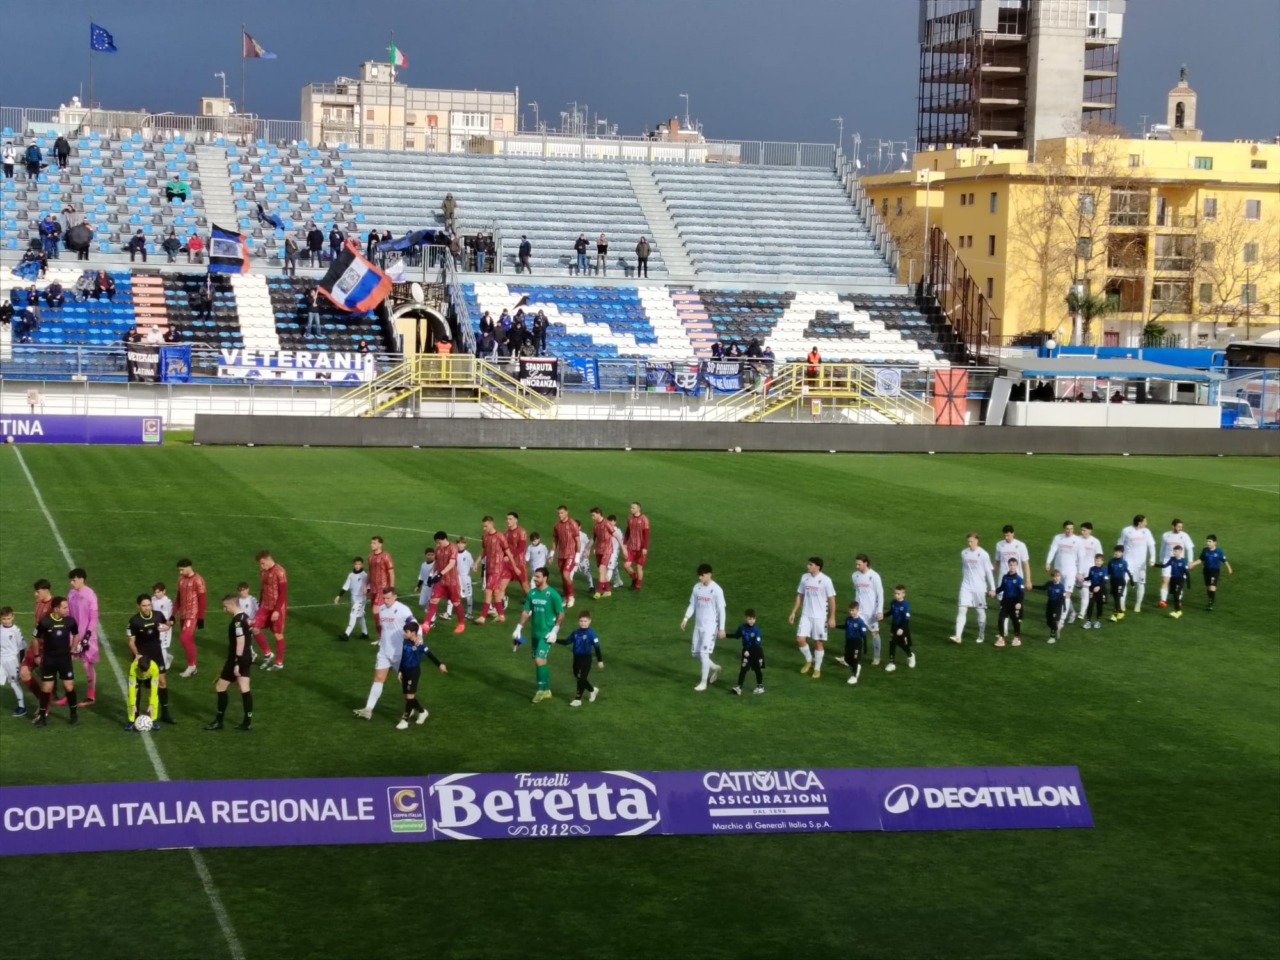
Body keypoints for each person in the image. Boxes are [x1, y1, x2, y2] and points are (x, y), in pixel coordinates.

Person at [354, 587, 414, 719]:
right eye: (384, 598)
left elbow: (414, 625)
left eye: (388, 598)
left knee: (406, 685)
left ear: (395, 597)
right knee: (378, 678)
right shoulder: (381, 609)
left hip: (400, 654)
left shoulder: (403, 610)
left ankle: (416, 707)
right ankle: (368, 709)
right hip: (384, 652)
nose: (385, 600)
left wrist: (418, 637)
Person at [512, 567, 565, 703]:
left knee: (538, 659)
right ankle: (547, 690)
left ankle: (540, 691)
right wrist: (519, 628)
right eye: (534, 577)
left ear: (545, 578)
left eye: (537, 577)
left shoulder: (553, 594)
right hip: (535, 632)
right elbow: (525, 612)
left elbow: (561, 613)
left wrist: (555, 631)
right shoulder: (532, 594)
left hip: (547, 633)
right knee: (541, 661)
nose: (534, 579)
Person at [204, 595, 254, 731]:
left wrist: (236, 662)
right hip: (247, 657)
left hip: (236, 659)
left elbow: (241, 641)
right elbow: (252, 633)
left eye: (225, 607)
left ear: (232, 605)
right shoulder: (246, 617)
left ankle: (219, 721)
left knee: (220, 687)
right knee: (244, 689)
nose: (224, 610)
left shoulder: (237, 622)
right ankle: (247, 722)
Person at [126, 594, 176, 724]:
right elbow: (131, 642)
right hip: (141, 656)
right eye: (144, 605)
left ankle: (164, 713)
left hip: (156, 654)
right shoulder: (134, 621)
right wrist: (137, 655)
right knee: (137, 686)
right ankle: (134, 716)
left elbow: (168, 623)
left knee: (162, 682)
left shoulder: (158, 615)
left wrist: (169, 625)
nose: (147, 608)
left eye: (149, 605)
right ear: (138, 606)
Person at [32, 596, 80, 727]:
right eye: (65, 607)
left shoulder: (70, 621)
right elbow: (35, 638)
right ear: (56, 609)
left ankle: (74, 714)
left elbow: (76, 634)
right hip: (49, 659)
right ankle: (42, 717)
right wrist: (37, 655)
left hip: (64, 659)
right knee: (47, 688)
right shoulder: (45, 622)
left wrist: (72, 650)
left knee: (68, 686)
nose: (67, 610)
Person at [788, 556, 837, 678]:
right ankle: (809, 660)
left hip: (820, 617)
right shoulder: (805, 578)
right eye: (808, 564)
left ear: (817, 567)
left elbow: (832, 600)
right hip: (806, 615)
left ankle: (817, 668)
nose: (808, 566)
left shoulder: (826, 580)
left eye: (810, 564)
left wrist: (832, 617)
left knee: (818, 643)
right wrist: (793, 612)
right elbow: (800, 595)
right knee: (800, 639)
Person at [681, 563, 726, 692]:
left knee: (704, 653)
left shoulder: (717, 590)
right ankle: (714, 667)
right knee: (695, 654)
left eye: (702, 575)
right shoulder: (697, 588)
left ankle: (703, 682)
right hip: (698, 626)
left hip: (710, 627)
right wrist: (685, 618)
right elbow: (692, 605)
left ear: (709, 574)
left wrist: (721, 628)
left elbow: (721, 610)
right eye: (699, 575)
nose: (700, 578)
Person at [395, 620, 447, 730]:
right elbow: (403, 657)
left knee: (410, 696)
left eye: (407, 631)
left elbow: (430, 655)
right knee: (407, 697)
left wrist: (440, 664)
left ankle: (405, 720)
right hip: (405, 671)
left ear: (413, 632)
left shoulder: (420, 644)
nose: (404, 633)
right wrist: (400, 671)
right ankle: (422, 712)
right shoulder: (405, 641)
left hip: (414, 672)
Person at [950, 532, 996, 644]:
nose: (969, 543)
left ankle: (981, 634)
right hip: (966, 586)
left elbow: (989, 572)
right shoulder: (964, 553)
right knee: (961, 609)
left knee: (980, 611)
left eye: (971, 541)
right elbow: (964, 568)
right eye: (968, 541)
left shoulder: (983, 554)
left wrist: (993, 588)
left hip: (979, 587)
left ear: (977, 541)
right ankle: (958, 636)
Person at [422, 531, 467, 636]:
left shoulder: (453, 548)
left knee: (456, 602)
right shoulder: (438, 549)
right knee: (433, 600)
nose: (437, 545)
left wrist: (440, 574)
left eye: (438, 542)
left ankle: (461, 624)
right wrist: (431, 575)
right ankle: (426, 624)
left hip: (452, 581)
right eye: (436, 543)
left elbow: (452, 564)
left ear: (444, 539)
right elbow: (436, 563)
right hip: (441, 581)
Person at [66, 568, 99, 705]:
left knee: (87, 666)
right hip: (73, 635)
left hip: (87, 637)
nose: (71, 583)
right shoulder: (71, 594)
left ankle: (91, 696)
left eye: (74, 580)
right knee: (66, 663)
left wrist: (88, 635)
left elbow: (94, 617)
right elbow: (68, 614)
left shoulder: (90, 594)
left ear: (81, 579)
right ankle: (68, 693)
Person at [557, 611, 604, 707]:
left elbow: (597, 647)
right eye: (581, 621)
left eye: (585, 621)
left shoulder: (592, 634)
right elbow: (567, 641)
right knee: (577, 676)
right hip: (577, 658)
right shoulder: (575, 632)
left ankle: (578, 699)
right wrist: (555, 640)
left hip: (586, 658)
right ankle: (592, 690)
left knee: (581, 679)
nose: (583, 623)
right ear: (578, 621)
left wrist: (600, 661)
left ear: (589, 621)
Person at [252, 550, 288, 670]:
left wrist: (277, 610)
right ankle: (268, 653)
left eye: (262, 563)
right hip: (265, 606)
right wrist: (260, 603)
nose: (261, 566)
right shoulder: (263, 572)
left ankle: (279, 662)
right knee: (254, 628)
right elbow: (263, 589)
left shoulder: (280, 572)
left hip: (277, 608)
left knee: (277, 634)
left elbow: (283, 593)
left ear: (268, 559)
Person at [1116, 514, 1158, 614]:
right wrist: (1118, 558)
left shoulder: (1146, 532)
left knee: (1141, 583)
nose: (1146, 523)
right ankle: (1122, 606)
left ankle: (1138, 605)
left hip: (1141, 563)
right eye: (1145, 521)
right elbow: (1120, 544)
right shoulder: (1126, 530)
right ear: (1139, 523)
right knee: (1124, 583)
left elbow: (1151, 545)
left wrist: (1152, 558)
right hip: (1127, 562)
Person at [1044, 521, 1082, 624]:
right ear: (1064, 529)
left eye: (1071, 529)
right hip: (1058, 571)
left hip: (1071, 571)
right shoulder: (1058, 538)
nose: (1069, 531)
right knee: (1061, 594)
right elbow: (1053, 550)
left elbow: (1081, 557)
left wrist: (1079, 572)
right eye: (1067, 529)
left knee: (1067, 594)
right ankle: (1073, 612)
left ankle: (1061, 620)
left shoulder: (1077, 540)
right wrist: (1048, 562)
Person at [174, 559, 207, 678]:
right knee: (188, 640)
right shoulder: (180, 580)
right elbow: (178, 598)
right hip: (183, 614)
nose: (180, 572)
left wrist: (201, 617)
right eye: (179, 570)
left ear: (189, 567)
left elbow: (202, 600)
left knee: (184, 637)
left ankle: (191, 665)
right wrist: (173, 614)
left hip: (192, 615)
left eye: (182, 570)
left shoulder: (198, 580)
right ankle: (193, 667)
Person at [850, 554, 885, 665]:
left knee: (874, 633)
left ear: (866, 563)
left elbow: (880, 594)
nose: (857, 566)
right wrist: (855, 607)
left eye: (859, 564)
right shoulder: (855, 576)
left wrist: (879, 611)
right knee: (854, 633)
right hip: (859, 611)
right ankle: (851, 656)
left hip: (871, 611)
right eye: (856, 564)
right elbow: (857, 592)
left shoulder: (874, 576)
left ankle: (877, 656)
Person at [476, 516, 509, 625]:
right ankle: (501, 616)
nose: (484, 528)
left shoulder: (500, 536)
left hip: (497, 569)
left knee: (488, 590)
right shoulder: (484, 537)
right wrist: (476, 562)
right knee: (495, 592)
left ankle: (482, 616)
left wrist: (513, 564)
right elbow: (484, 551)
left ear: (491, 524)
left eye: (485, 526)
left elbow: (507, 551)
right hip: (489, 568)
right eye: (483, 526)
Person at [1158, 520, 1195, 608]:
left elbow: (1189, 548)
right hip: (1167, 560)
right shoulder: (1166, 535)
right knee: (1165, 580)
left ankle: (1178, 600)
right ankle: (1163, 600)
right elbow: (1162, 548)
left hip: (1179, 562)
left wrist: (1190, 560)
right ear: (1173, 526)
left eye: (1181, 527)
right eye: (1178, 526)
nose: (1180, 528)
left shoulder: (1184, 536)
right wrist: (1161, 559)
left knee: (1178, 581)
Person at [551, 506, 583, 608]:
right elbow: (555, 540)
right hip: (561, 555)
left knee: (566, 574)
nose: (560, 515)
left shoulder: (573, 524)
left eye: (561, 513)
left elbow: (578, 541)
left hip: (571, 554)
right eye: (558, 513)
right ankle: (565, 597)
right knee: (563, 577)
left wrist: (577, 555)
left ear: (566, 513)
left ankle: (571, 596)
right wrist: (552, 554)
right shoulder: (557, 526)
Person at [730, 608, 765, 696]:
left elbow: (757, 643)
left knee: (757, 669)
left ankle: (760, 686)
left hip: (756, 651)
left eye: (753, 618)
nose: (751, 620)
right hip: (746, 652)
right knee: (743, 669)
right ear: (745, 618)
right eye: (749, 618)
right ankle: (739, 687)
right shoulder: (742, 628)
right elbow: (736, 636)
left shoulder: (757, 629)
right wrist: (725, 635)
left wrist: (748, 651)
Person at [334, 556, 369, 641]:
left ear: (362, 565)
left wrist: (367, 592)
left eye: (359, 564)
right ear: (353, 565)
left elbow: (369, 586)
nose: (357, 566)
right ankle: (365, 633)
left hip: (360, 599)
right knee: (360, 616)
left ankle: (346, 634)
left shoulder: (365, 575)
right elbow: (346, 586)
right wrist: (339, 596)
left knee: (353, 614)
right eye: (356, 564)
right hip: (353, 598)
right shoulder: (351, 575)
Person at [1074, 523, 1103, 621]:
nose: (1082, 532)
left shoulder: (1095, 542)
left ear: (1090, 530)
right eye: (1081, 530)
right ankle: (1074, 611)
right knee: (1079, 590)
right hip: (1076, 569)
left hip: (1088, 571)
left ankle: (1082, 612)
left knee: (1085, 591)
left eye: (1084, 530)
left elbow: (1099, 557)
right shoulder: (1077, 540)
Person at [0, 607, 26, 717]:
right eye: (4, 618)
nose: (6, 620)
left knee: (14, 684)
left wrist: (22, 663)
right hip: (1, 659)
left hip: (11, 660)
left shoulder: (16, 631)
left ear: (13, 617)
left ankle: (22, 707)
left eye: (8, 618)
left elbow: (22, 648)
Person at [588, 508, 617, 600]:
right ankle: (608, 590)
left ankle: (598, 592)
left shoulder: (607, 523)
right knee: (602, 571)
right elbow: (593, 538)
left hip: (607, 550)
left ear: (598, 514)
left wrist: (623, 548)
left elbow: (616, 535)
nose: (592, 517)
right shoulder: (596, 525)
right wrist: (588, 548)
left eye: (593, 515)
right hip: (599, 550)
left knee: (601, 569)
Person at [995, 558, 1026, 647]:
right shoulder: (1005, 577)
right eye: (1010, 565)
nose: (1012, 567)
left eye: (1014, 565)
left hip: (1015, 603)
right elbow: (1002, 588)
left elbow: (1021, 592)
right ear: (1008, 565)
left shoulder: (1019, 579)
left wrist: (1019, 602)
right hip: (1005, 602)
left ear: (1016, 566)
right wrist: (995, 591)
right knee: (1001, 619)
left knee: (1015, 621)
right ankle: (1001, 638)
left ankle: (1017, 637)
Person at [885, 584, 916, 672]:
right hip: (894, 627)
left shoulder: (905, 605)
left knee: (903, 644)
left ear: (903, 594)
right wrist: (883, 616)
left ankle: (910, 655)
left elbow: (906, 619)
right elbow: (891, 611)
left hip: (903, 627)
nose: (896, 595)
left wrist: (902, 629)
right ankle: (892, 663)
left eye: (898, 593)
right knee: (892, 643)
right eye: (895, 593)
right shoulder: (893, 602)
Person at [126, 655, 161, 732]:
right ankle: (131, 721)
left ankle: (153, 719)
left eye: (145, 671)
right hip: (137, 678)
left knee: (153, 695)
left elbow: (154, 689)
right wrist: (133, 704)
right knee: (131, 696)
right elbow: (131, 688)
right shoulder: (133, 668)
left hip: (150, 678)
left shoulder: (154, 669)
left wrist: (151, 704)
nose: (143, 673)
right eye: (141, 671)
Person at [366, 535, 395, 626]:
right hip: (373, 589)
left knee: (376, 610)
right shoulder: (370, 557)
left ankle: (384, 633)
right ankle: (382, 636)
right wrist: (366, 585)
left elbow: (391, 572)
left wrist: (391, 588)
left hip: (382, 588)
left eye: (374, 543)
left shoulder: (385, 556)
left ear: (380, 544)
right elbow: (370, 572)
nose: (371, 544)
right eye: (371, 542)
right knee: (378, 612)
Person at [1198, 535, 1233, 611]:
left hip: (1215, 571)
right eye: (1207, 541)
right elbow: (1201, 560)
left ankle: (1211, 603)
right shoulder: (1205, 550)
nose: (1208, 543)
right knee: (1208, 587)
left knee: (1212, 586)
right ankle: (1211, 599)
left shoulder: (1219, 551)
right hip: (1206, 570)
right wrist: (1192, 564)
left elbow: (1224, 561)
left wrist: (1229, 568)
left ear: (1215, 543)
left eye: (1209, 541)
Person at [623, 501, 650, 591]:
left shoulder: (644, 519)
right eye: (631, 508)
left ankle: (638, 585)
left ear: (638, 508)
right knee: (626, 565)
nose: (631, 509)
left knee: (639, 567)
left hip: (640, 548)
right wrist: (624, 543)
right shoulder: (630, 518)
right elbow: (627, 532)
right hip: (631, 546)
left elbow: (646, 534)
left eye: (633, 508)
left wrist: (645, 548)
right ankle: (635, 578)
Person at [1159, 545, 1192, 619]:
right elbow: (1165, 566)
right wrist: (1155, 565)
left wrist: (1188, 583)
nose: (1174, 552)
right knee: (1174, 596)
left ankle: (1179, 612)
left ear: (1180, 552)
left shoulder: (1183, 561)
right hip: (1173, 579)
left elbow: (1187, 572)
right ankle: (1176, 611)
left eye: (1176, 551)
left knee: (1176, 595)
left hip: (1180, 579)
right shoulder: (1172, 559)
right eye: (1173, 551)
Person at [842, 601, 868, 686]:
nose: (851, 612)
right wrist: (835, 626)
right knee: (846, 659)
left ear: (857, 610)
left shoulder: (860, 622)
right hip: (848, 642)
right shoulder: (848, 619)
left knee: (855, 658)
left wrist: (865, 648)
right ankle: (856, 667)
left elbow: (864, 635)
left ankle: (854, 676)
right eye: (850, 610)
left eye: (853, 610)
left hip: (857, 642)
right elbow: (845, 627)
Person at [1106, 546, 1135, 623]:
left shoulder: (1123, 562)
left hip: (1121, 582)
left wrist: (1132, 582)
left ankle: (1114, 615)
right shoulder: (1111, 562)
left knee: (1118, 598)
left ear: (1122, 553)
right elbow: (1108, 572)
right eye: (1116, 551)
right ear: (1113, 552)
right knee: (1115, 598)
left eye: (1119, 552)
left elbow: (1128, 572)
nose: (1117, 553)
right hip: (1113, 582)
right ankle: (1121, 612)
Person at [151, 582, 175, 670]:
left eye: (158, 592)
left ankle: (163, 665)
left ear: (164, 591)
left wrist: (167, 626)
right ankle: (168, 657)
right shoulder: (152, 599)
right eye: (155, 592)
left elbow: (170, 616)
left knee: (162, 646)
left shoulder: (167, 602)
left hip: (164, 627)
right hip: (155, 626)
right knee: (156, 645)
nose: (156, 594)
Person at [505, 512, 530, 595]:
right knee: (500, 587)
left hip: (519, 564)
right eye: (507, 519)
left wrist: (509, 556)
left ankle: (534, 605)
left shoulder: (521, 532)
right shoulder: (506, 533)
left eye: (510, 519)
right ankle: (498, 606)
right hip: (508, 565)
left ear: (516, 520)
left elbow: (521, 548)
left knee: (525, 587)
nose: (507, 521)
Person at [453, 536, 476, 621]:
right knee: (455, 594)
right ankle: (449, 613)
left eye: (462, 543)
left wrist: (474, 567)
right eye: (458, 543)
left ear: (465, 544)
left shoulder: (467, 554)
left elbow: (472, 565)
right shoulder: (454, 553)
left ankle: (469, 613)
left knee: (468, 595)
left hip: (465, 578)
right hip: (456, 577)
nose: (460, 545)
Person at [1044, 569, 1067, 643]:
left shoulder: (1061, 587)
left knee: (1053, 621)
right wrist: (1032, 586)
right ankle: (1057, 628)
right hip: (1049, 604)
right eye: (1054, 576)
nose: (1056, 578)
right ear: (1052, 577)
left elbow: (1063, 598)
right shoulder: (1049, 584)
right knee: (1048, 622)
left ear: (1060, 577)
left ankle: (1052, 637)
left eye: (1057, 576)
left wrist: (1064, 606)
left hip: (1057, 606)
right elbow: (1042, 588)